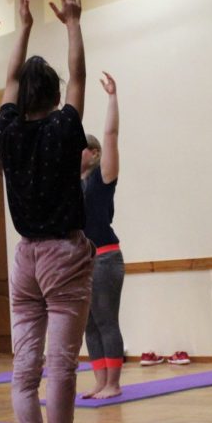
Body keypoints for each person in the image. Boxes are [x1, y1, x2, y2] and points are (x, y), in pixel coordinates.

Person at [0, 0, 96, 423]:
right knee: (60, 365)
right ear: (55, 98)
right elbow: (79, 75)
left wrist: (24, 28)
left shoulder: (7, 131)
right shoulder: (63, 128)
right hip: (62, 254)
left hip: (25, 259)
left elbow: (9, 79)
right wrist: (73, 22)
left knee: (25, 365)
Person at [80, 72, 126, 399]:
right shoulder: (71, 185)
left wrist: (112, 97)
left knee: (106, 320)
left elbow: (111, 135)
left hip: (106, 257)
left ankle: (114, 383)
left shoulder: (103, 177)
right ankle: (99, 381)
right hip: (81, 261)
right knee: (89, 323)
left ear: (94, 153)